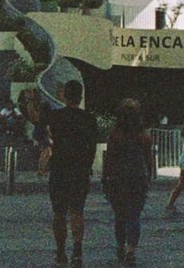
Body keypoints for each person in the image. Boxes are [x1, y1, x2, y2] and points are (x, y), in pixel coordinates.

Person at [44, 80, 98, 267]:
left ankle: (60, 251)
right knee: (77, 211)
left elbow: (50, 141)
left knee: (59, 213)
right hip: (80, 170)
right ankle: (77, 250)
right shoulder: (89, 119)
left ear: (64, 95)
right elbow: (92, 147)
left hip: (59, 170)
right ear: (80, 96)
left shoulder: (56, 117)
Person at [103, 98, 155, 265]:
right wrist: (150, 176)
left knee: (120, 216)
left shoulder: (115, 133)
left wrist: (105, 177)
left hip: (118, 178)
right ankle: (131, 249)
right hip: (138, 178)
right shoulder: (143, 134)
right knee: (134, 216)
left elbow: (109, 157)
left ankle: (120, 246)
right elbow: (148, 158)